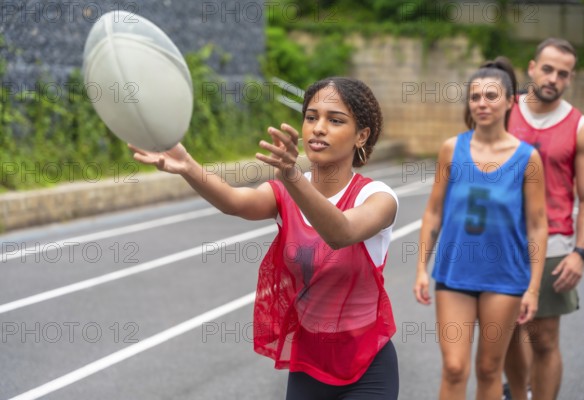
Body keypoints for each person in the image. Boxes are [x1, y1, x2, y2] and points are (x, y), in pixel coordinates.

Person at [130, 77, 400, 400]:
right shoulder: (286, 192)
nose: (318, 127)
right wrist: (187, 165)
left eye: (335, 120)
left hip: (367, 368)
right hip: (309, 366)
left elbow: (340, 233)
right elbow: (234, 201)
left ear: (362, 135)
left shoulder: (377, 197)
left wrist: (291, 176)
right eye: (311, 117)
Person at [413, 57, 548, 400]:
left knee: (489, 369)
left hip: (504, 278)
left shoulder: (527, 158)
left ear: (509, 102)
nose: (482, 104)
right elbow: (433, 212)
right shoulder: (451, 149)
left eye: (491, 96)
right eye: (475, 97)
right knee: (455, 368)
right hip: (454, 274)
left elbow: (536, 225)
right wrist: (421, 269)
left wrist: (532, 288)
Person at [503, 38, 584, 400]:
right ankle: (516, 390)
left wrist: (581, 252)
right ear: (531, 67)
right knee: (507, 332)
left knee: (543, 339)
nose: (553, 78)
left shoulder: (581, 127)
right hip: (499, 243)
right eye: (547, 69)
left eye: (563, 73)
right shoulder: (502, 111)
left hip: (554, 242)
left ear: (570, 78)